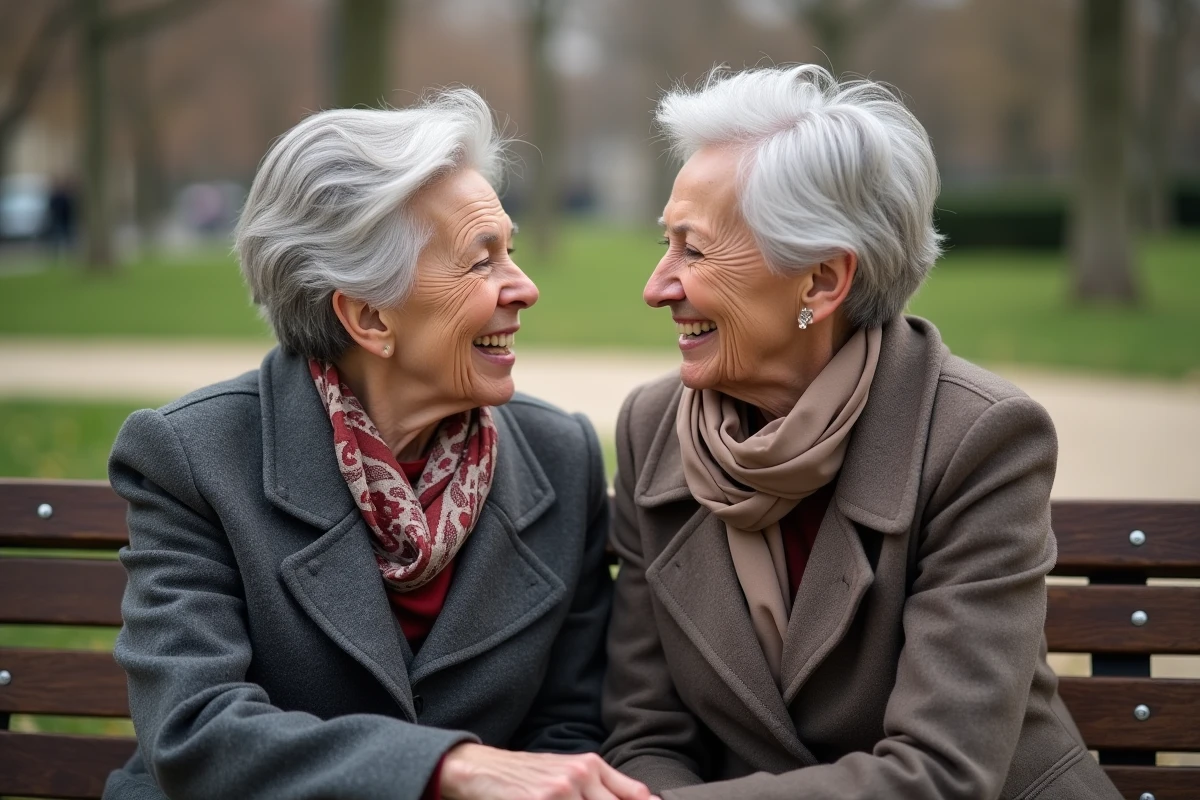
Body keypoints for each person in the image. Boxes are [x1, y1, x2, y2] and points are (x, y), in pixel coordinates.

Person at [104, 90, 650, 800]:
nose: (525, 288)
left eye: (509, 252)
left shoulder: (559, 455)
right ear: (369, 317)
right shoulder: (193, 458)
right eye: (481, 262)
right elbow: (196, 730)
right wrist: (444, 768)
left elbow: (570, 726)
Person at [601, 65, 1121, 800]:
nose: (657, 286)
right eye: (667, 243)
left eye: (695, 249)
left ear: (820, 282)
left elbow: (940, 774)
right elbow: (646, 733)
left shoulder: (979, 440)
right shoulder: (654, 430)